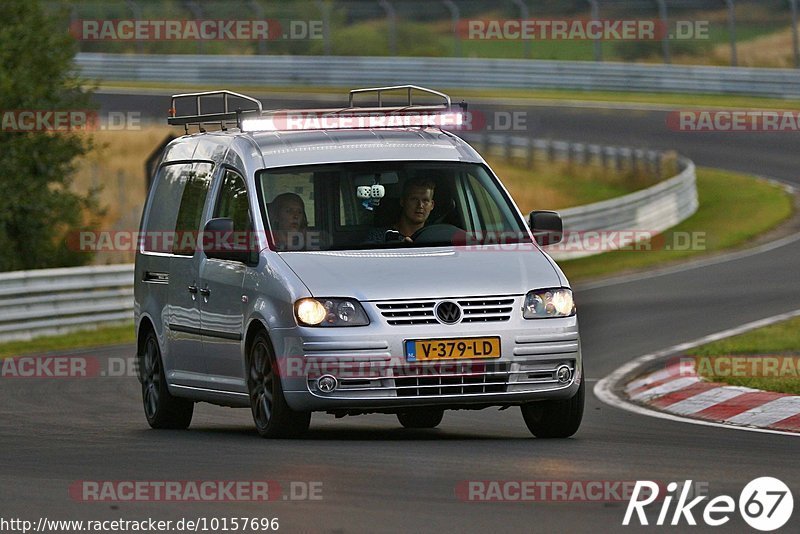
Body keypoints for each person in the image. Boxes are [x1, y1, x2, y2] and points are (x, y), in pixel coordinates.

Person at [366, 177, 436, 243]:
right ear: (402, 201)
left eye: (425, 200)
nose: (420, 205)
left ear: (432, 205)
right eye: (414, 199)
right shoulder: (379, 236)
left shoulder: (435, 238)